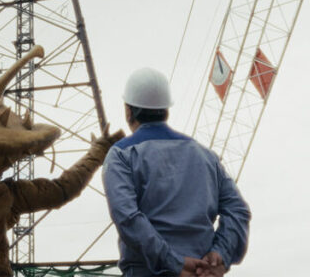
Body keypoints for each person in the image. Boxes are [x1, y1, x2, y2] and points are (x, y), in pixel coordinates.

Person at [103, 68, 250, 277]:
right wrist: (220, 255)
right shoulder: (206, 156)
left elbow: (127, 217)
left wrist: (174, 262)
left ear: (129, 111)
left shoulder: (121, 155)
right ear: (166, 110)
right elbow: (237, 210)